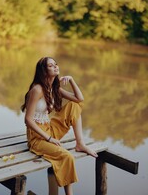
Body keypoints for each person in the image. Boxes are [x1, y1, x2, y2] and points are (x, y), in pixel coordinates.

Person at [21, 57, 98, 195]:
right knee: (67, 156)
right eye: (51, 65)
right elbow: (28, 120)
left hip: (49, 128)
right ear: (44, 71)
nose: (55, 67)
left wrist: (72, 80)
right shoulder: (37, 90)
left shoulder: (54, 88)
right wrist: (49, 139)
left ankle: (80, 143)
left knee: (74, 106)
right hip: (37, 138)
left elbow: (79, 99)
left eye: (56, 64)